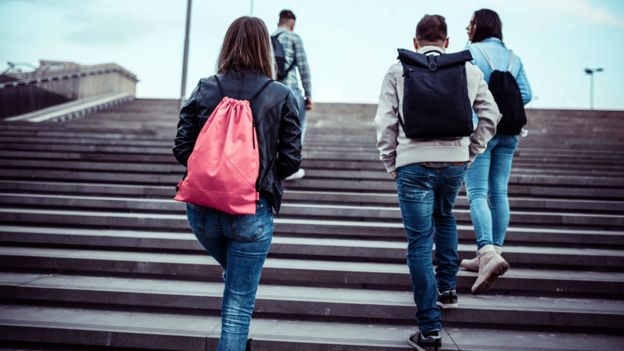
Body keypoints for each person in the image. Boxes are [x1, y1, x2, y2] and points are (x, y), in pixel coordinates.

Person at [172, 16, 302, 351]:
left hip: (201, 209)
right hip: (251, 210)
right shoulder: (281, 94)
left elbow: (182, 148)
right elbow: (291, 160)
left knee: (237, 282)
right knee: (239, 303)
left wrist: (214, 168)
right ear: (265, 49)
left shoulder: (204, 87)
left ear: (228, 44)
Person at [374, 14, 500, 351]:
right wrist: (469, 152)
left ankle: (429, 331)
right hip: (453, 161)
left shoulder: (398, 69)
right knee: (445, 217)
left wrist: (391, 161)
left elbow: (385, 122)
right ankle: (447, 289)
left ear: (415, 42)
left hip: (413, 162)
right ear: (446, 42)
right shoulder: (468, 70)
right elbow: (492, 115)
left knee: (418, 242)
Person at [460, 9, 533, 294]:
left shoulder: (472, 52)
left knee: (477, 193)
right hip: (510, 131)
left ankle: (486, 253)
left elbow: (461, 89)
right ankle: (492, 253)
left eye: (470, 23)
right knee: (499, 192)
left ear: (478, 25)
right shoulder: (514, 57)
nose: (467, 28)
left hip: (482, 130)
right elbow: (525, 93)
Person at [272, 9, 312, 180]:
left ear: (278, 21)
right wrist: (308, 94)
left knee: (273, 128)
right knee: (298, 126)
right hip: (290, 90)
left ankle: (270, 164)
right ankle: (291, 167)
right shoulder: (294, 37)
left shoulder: (268, 38)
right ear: (292, 23)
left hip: (270, 92)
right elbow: (303, 67)